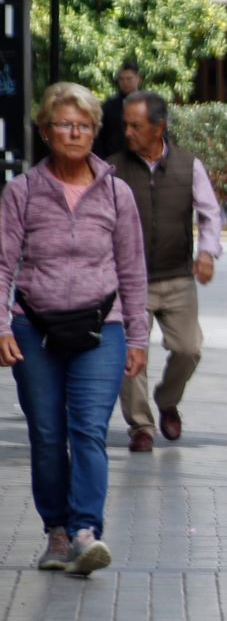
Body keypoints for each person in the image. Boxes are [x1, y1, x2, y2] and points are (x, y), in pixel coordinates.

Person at [2, 83, 149, 575]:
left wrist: (137, 336)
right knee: (46, 434)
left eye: (84, 125)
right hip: (33, 329)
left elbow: (132, 269)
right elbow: (2, 266)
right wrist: (1, 326)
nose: (75, 133)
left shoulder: (116, 192)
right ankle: (57, 534)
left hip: (100, 328)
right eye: (64, 124)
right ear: (45, 132)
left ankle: (86, 531)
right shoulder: (21, 191)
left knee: (88, 429)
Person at [112, 91, 225, 452]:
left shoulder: (189, 165)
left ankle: (166, 399)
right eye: (125, 124)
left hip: (177, 276)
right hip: (129, 281)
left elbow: (210, 214)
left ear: (159, 128)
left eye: (136, 125)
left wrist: (207, 252)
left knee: (189, 349)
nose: (128, 132)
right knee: (131, 354)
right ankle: (141, 427)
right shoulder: (111, 168)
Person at [93, 61, 140, 159]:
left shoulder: (148, 103)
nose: (125, 82)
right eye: (121, 79)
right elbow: (99, 135)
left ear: (138, 78)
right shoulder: (109, 105)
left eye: (129, 79)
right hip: (113, 159)